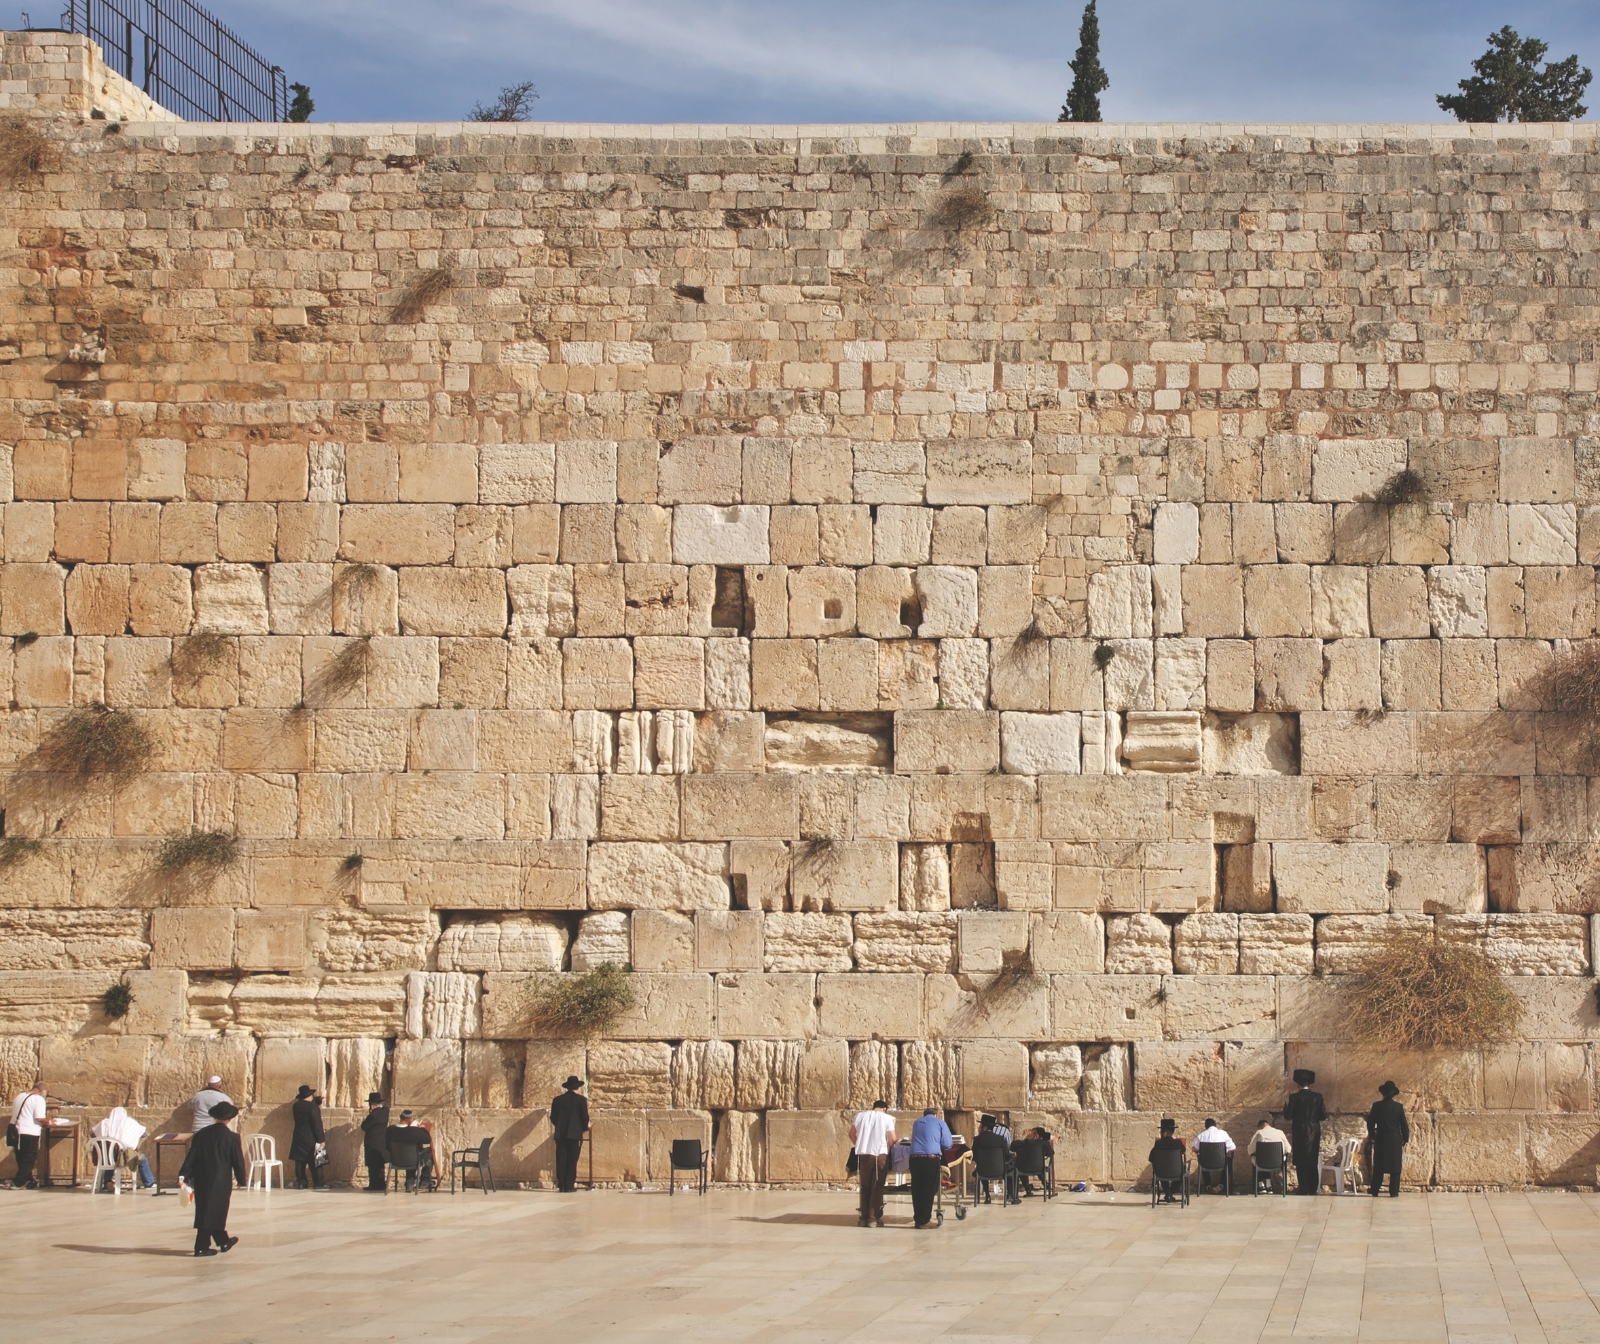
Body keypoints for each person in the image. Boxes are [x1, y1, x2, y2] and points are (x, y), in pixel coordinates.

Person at [178, 1101, 246, 1257]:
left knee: (210, 1210)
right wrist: (241, 1179)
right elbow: (238, 1161)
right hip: (221, 1181)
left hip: (201, 1179)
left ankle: (223, 1241)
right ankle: (201, 1247)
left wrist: (183, 1175)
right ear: (229, 1119)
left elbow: (191, 1157)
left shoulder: (201, 1134)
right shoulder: (232, 1137)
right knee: (212, 1212)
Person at [850, 1099, 896, 1228]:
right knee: (877, 1186)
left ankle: (863, 1218)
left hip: (864, 1154)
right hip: (879, 1155)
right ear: (884, 1108)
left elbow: (851, 1134)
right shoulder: (887, 1118)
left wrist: (860, 1144)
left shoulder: (860, 1116)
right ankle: (873, 1218)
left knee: (865, 1186)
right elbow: (892, 1139)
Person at [1285, 1068, 1329, 1195]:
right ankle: (1313, 1187)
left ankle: (1303, 1187)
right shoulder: (1317, 1097)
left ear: (1298, 1084)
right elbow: (1322, 1115)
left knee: (1300, 1159)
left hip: (1299, 1129)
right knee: (1312, 1158)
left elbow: (1288, 1116)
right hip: (1314, 1130)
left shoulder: (1294, 1097)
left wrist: (1285, 1109)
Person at [908, 1106, 952, 1229]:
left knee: (917, 1189)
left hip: (915, 1158)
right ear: (936, 1115)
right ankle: (924, 1220)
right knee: (928, 1189)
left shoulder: (917, 1122)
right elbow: (947, 1144)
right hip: (930, 1159)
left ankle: (918, 1218)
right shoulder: (939, 1122)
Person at [91, 1105, 155, 1190]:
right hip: (123, 1157)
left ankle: (107, 1181)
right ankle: (149, 1182)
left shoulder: (104, 1123)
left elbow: (91, 1134)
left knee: (110, 1154)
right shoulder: (129, 1122)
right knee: (142, 1157)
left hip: (104, 1156)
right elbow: (144, 1133)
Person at [1367, 1080, 1409, 1197]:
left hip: (1381, 1137)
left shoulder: (1377, 1106)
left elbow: (1370, 1122)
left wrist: (1372, 1135)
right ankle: (1394, 1191)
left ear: (1383, 1093)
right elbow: (1404, 1124)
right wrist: (1405, 1138)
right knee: (1395, 1166)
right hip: (1395, 1138)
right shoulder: (1398, 1107)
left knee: (1379, 1165)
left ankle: (1375, 1189)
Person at [550, 1075, 590, 1193]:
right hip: (574, 1135)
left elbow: (553, 1117)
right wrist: (583, 1128)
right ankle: (569, 1185)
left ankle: (561, 1185)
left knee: (561, 1159)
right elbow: (584, 1117)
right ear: (577, 1087)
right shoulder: (581, 1100)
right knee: (572, 1160)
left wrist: (560, 1127)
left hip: (560, 1134)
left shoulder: (557, 1100)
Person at [8, 1082, 46, 1188]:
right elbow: (39, 1118)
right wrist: (50, 1122)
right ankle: (18, 1182)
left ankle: (28, 1180)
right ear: (41, 1090)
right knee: (29, 1157)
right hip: (29, 1131)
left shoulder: (20, 1096)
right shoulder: (38, 1099)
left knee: (21, 1157)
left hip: (16, 1131)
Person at [385, 1110, 435, 1191]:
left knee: (410, 1154)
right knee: (428, 1153)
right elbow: (427, 1139)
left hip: (395, 1160)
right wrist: (422, 1129)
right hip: (413, 1160)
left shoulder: (390, 1130)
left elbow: (387, 1145)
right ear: (411, 1120)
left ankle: (410, 1183)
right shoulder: (414, 1131)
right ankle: (424, 1181)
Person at [288, 1084, 326, 1189]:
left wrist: (318, 1100)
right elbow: (317, 1124)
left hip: (298, 1137)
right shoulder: (314, 1108)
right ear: (310, 1096)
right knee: (317, 1162)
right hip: (312, 1138)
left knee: (300, 1161)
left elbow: (307, 1106)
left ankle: (301, 1182)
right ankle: (319, 1183)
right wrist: (321, 1140)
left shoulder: (296, 1106)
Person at [972, 1114, 1012, 1204]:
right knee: (1010, 1170)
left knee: (982, 1167)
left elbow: (974, 1156)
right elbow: (1007, 1154)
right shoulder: (1001, 1139)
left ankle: (987, 1196)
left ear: (984, 1127)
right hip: (999, 1171)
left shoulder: (977, 1140)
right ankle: (1010, 1194)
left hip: (983, 1171)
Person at [1247, 1114, 1292, 1193]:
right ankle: (1269, 1185)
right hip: (1279, 1161)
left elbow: (1250, 1150)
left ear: (1260, 1126)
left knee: (1257, 1158)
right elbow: (1288, 1149)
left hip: (1262, 1162)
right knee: (1264, 1157)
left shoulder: (1259, 1133)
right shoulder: (1280, 1132)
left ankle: (1261, 1185)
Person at [1148, 1118, 1188, 1203]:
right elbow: (1184, 1150)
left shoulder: (1158, 1144)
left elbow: (1151, 1158)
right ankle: (1170, 1193)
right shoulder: (1178, 1142)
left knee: (1161, 1171)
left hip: (1161, 1172)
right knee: (1183, 1172)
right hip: (1177, 1171)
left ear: (1164, 1133)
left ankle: (1168, 1193)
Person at [359, 1092, 388, 1192]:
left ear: (371, 1105)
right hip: (382, 1142)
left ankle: (374, 1184)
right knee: (380, 1164)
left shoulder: (373, 1116)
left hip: (372, 1142)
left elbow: (364, 1126)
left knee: (372, 1165)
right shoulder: (385, 1112)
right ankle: (381, 1183)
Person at [1017, 1125, 1054, 1197]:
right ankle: (1045, 1184)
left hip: (1023, 1168)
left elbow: (1013, 1146)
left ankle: (1027, 1188)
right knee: (1039, 1165)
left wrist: (1027, 1139)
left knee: (1020, 1167)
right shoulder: (1043, 1143)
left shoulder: (1022, 1143)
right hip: (1038, 1167)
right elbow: (1051, 1152)